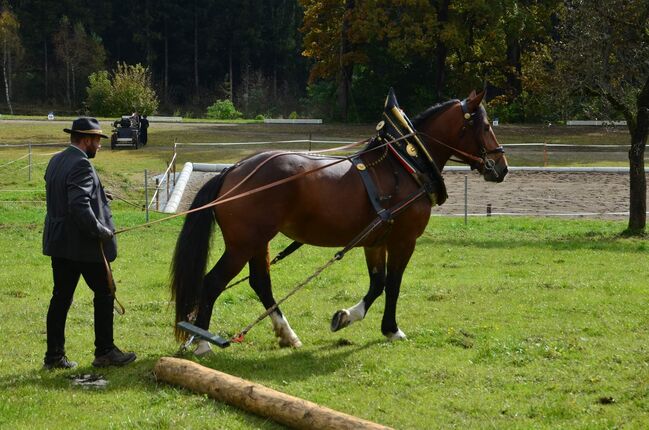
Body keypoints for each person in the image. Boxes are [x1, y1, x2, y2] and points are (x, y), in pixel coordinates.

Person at [42, 117, 136, 370]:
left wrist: (99, 195)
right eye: (97, 140)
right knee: (105, 292)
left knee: (60, 297)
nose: (100, 145)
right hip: (83, 245)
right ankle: (105, 351)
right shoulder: (82, 165)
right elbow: (78, 206)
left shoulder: (56, 160)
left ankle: (53, 357)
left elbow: (64, 194)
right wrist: (101, 231)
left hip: (59, 242)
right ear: (86, 140)